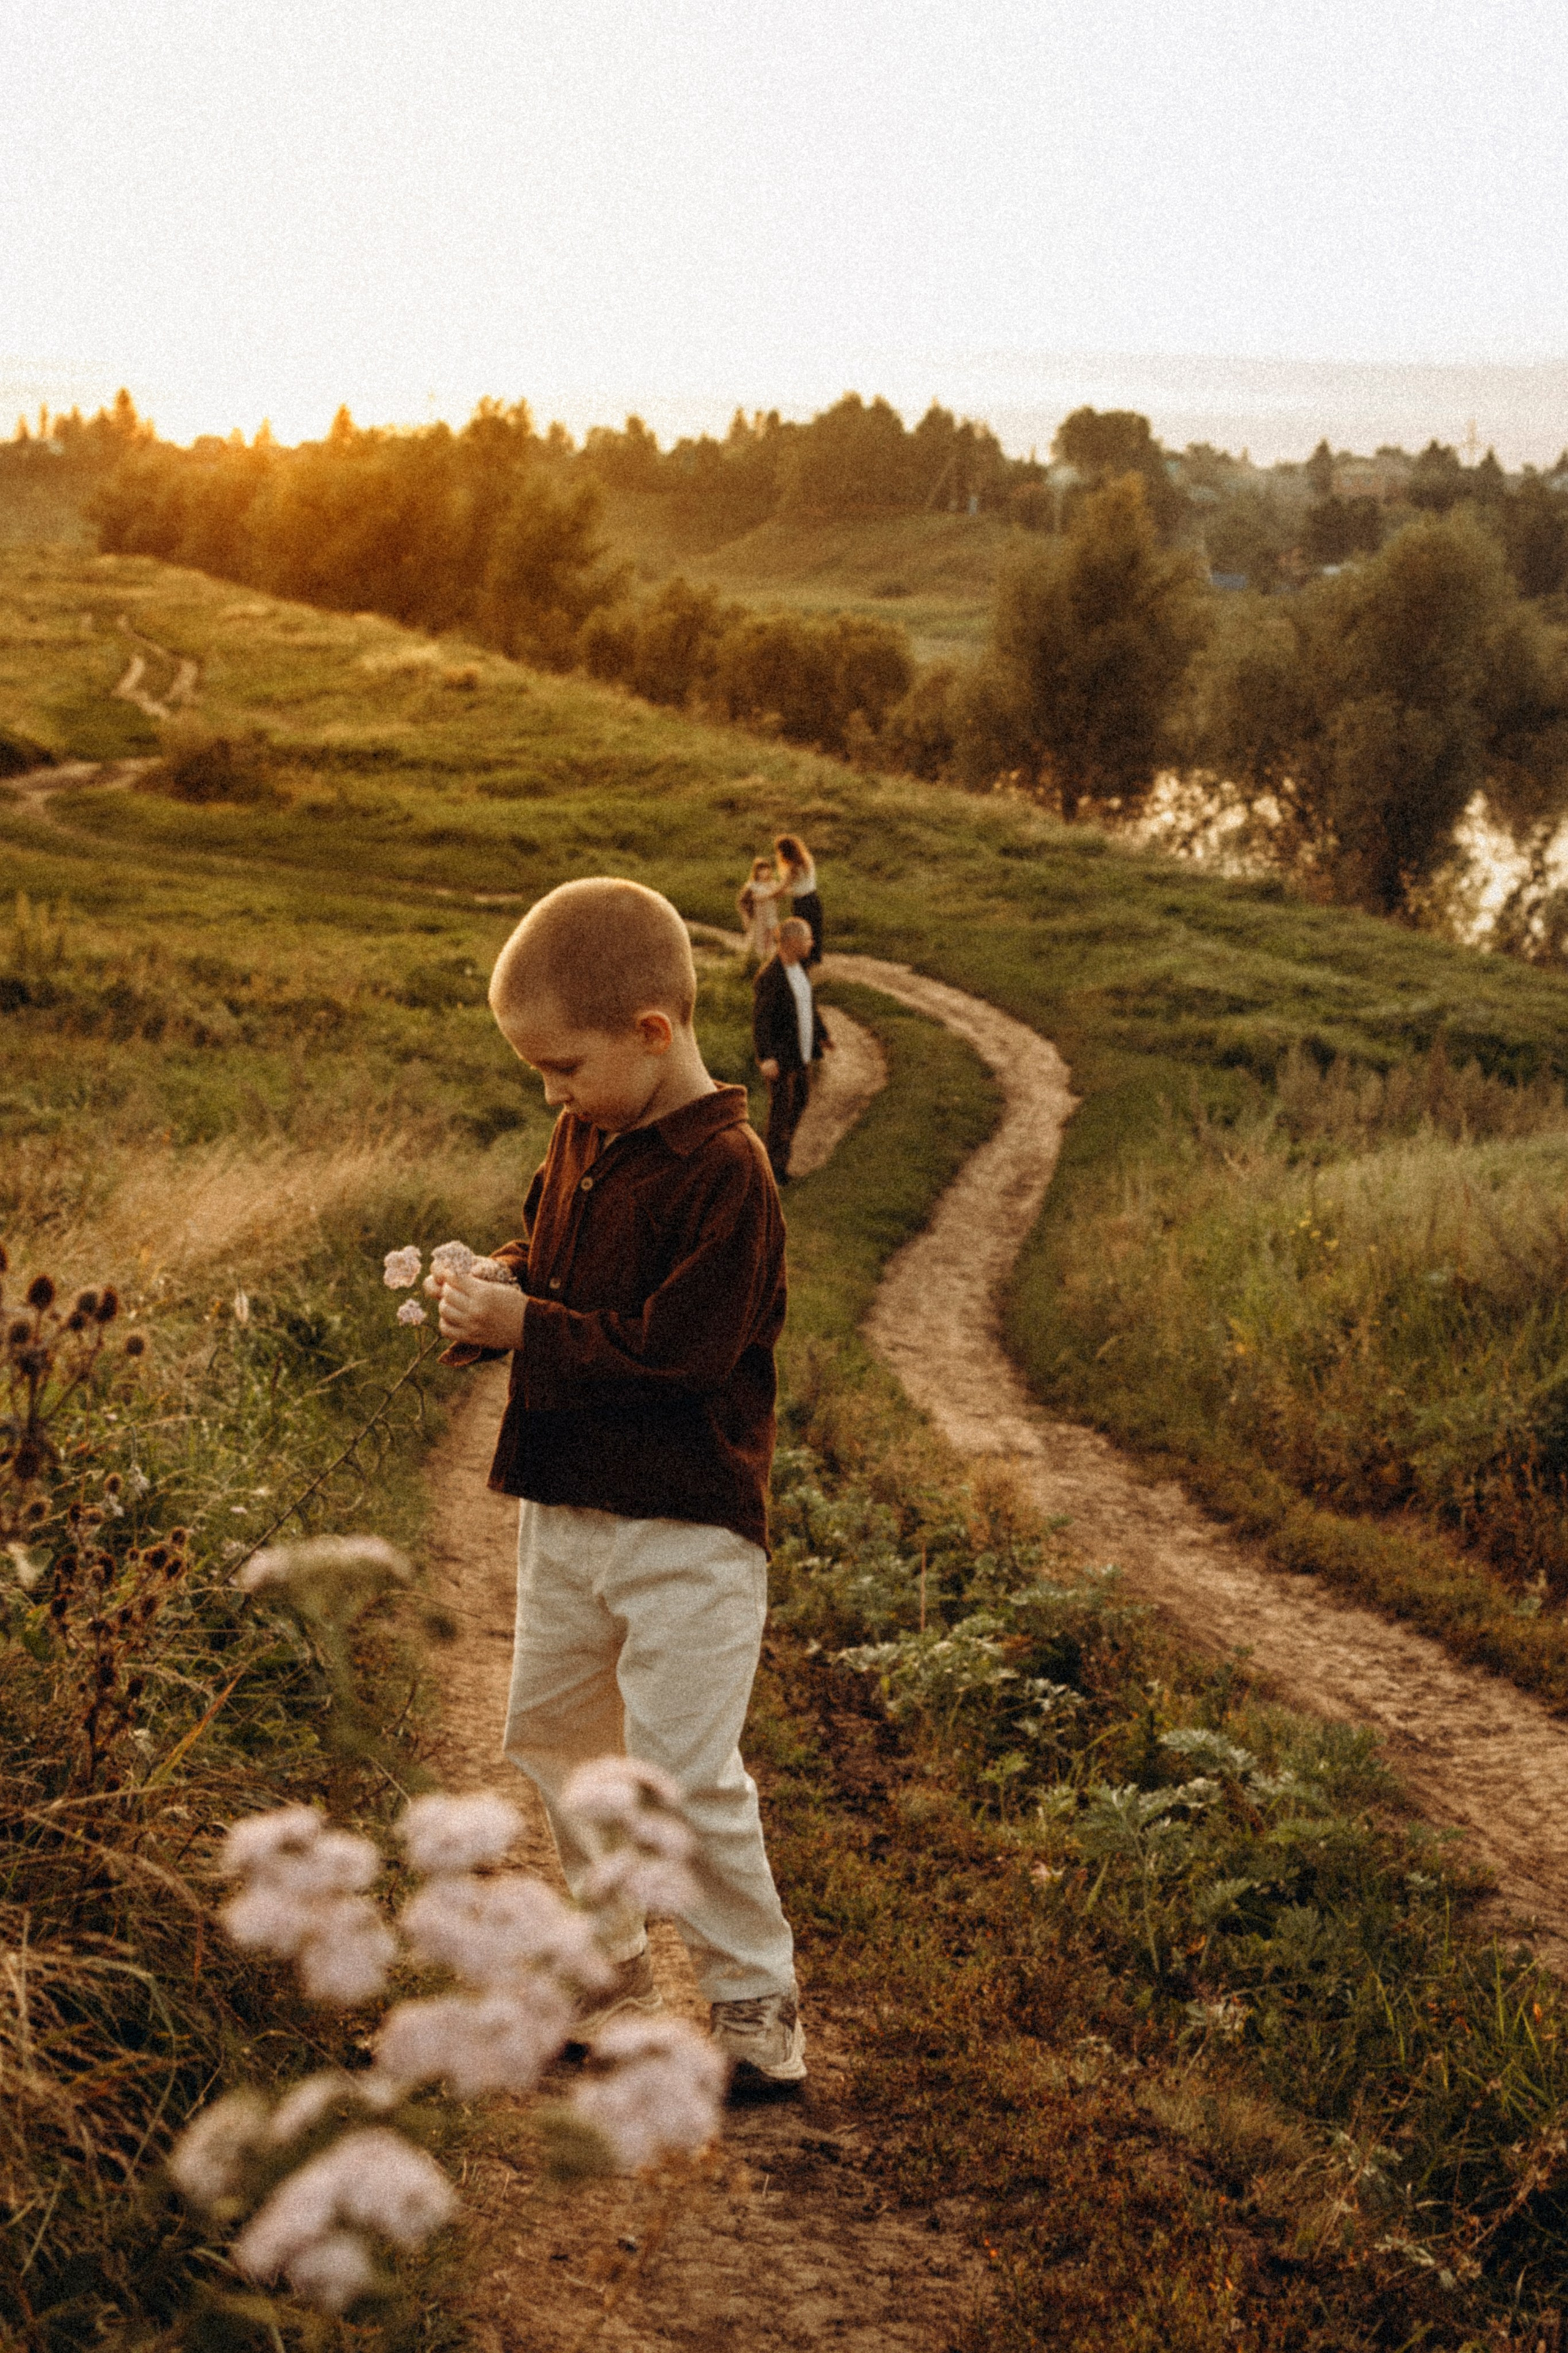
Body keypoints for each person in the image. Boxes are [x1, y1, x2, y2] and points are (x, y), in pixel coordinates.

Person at [431, 877, 805, 2090]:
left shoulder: (729, 1174)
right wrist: (485, 1285)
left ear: (654, 1031)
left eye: (563, 1068)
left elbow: (675, 1354)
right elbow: (544, 1252)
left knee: (686, 1774)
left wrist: (529, 1327)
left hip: (687, 1525)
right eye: (540, 1076)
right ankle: (602, 1970)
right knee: (553, 1739)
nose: (551, 1093)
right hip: (566, 1504)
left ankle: (753, 2006)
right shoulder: (585, 1130)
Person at [752, 916, 830, 1184]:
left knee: (800, 1101)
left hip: (801, 1053)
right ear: (793, 942)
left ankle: (778, 1156)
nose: (812, 943)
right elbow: (761, 1021)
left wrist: (822, 1034)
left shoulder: (801, 968)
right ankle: (772, 1169)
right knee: (781, 1110)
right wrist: (766, 1057)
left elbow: (809, 1005)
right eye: (808, 938)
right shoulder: (770, 978)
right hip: (781, 1057)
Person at [774, 833, 823, 966]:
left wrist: (767, 895)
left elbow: (782, 889)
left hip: (801, 902)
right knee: (815, 929)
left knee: (801, 931)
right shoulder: (807, 860)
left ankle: (803, 959)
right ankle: (815, 958)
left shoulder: (792, 869)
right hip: (813, 898)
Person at [736, 855, 785, 962]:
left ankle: (770, 960)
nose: (763, 873)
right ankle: (755, 960)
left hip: (771, 915)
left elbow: (779, 896)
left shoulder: (773, 884)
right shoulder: (752, 886)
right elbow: (742, 902)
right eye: (761, 871)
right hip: (759, 916)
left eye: (766, 870)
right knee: (758, 939)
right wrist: (745, 917)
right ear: (756, 872)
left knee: (771, 938)